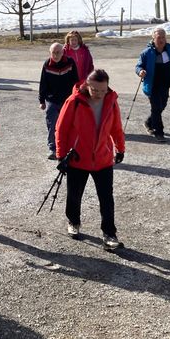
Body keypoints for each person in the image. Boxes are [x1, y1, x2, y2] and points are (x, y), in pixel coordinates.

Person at [55, 69, 125, 251]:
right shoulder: (74, 101)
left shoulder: (111, 101)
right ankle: (73, 221)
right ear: (87, 85)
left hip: (103, 159)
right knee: (74, 194)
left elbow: (116, 127)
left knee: (106, 198)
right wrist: (61, 155)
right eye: (95, 90)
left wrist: (120, 148)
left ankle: (109, 234)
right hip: (78, 158)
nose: (99, 94)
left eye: (103, 90)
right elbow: (61, 129)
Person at [39, 42, 79, 160]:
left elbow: (76, 81)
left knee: (68, 124)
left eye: (58, 52)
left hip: (67, 99)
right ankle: (53, 148)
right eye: (53, 53)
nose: (55, 55)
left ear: (63, 52)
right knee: (52, 123)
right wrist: (41, 100)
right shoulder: (47, 64)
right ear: (50, 53)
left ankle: (68, 148)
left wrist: (77, 97)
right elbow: (43, 83)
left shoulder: (70, 62)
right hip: (52, 99)